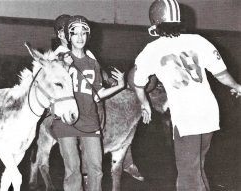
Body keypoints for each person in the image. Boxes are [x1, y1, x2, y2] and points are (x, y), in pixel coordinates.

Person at [133, 0, 241, 190]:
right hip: (209, 112)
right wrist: (237, 86)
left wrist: (144, 104)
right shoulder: (198, 41)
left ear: (156, 22)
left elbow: (137, 82)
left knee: (188, 175)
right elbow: (221, 74)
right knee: (197, 167)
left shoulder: (152, 50)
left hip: (186, 116)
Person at [53, 14, 144, 183]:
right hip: (68, 120)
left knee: (96, 170)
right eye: (75, 33)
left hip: (89, 120)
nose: (79, 37)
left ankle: (126, 160)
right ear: (68, 36)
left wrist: (119, 85)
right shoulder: (59, 60)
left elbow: (98, 94)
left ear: (88, 36)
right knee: (73, 172)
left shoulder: (92, 62)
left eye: (83, 33)